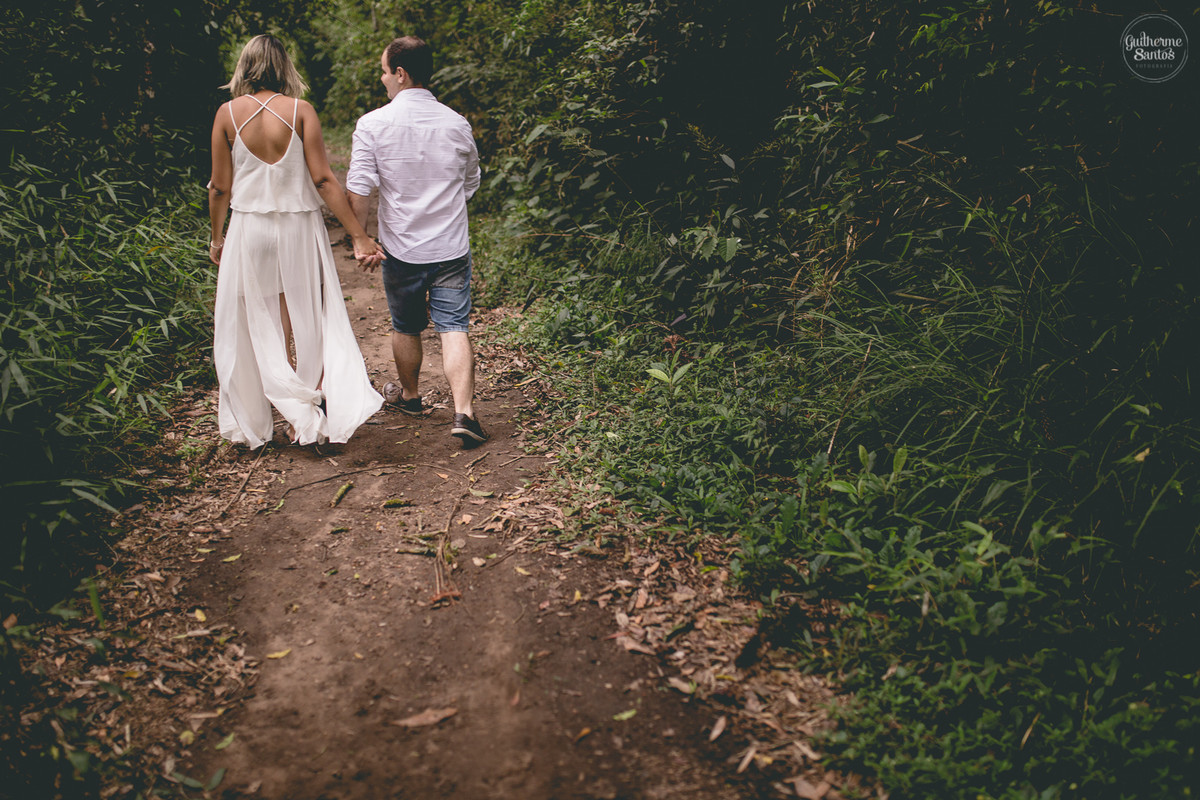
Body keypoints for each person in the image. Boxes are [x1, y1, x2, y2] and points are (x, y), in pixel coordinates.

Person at [208, 34, 385, 448]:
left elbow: (219, 187)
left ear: (245, 67)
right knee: (305, 317)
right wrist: (358, 236)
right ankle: (304, 416)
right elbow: (323, 179)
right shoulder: (301, 111)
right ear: (283, 66)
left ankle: (261, 421)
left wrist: (217, 238)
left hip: (249, 229)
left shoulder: (226, 114)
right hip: (299, 229)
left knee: (252, 321)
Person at [345, 35, 488, 446]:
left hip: (400, 248)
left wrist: (362, 240)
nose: (383, 79)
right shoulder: (456, 123)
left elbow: (360, 188)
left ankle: (409, 397)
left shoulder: (372, 124)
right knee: (454, 326)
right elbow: (471, 182)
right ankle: (465, 413)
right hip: (450, 247)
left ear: (401, 74)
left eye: (385, 71)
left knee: (405, 325)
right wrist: (441, 205)